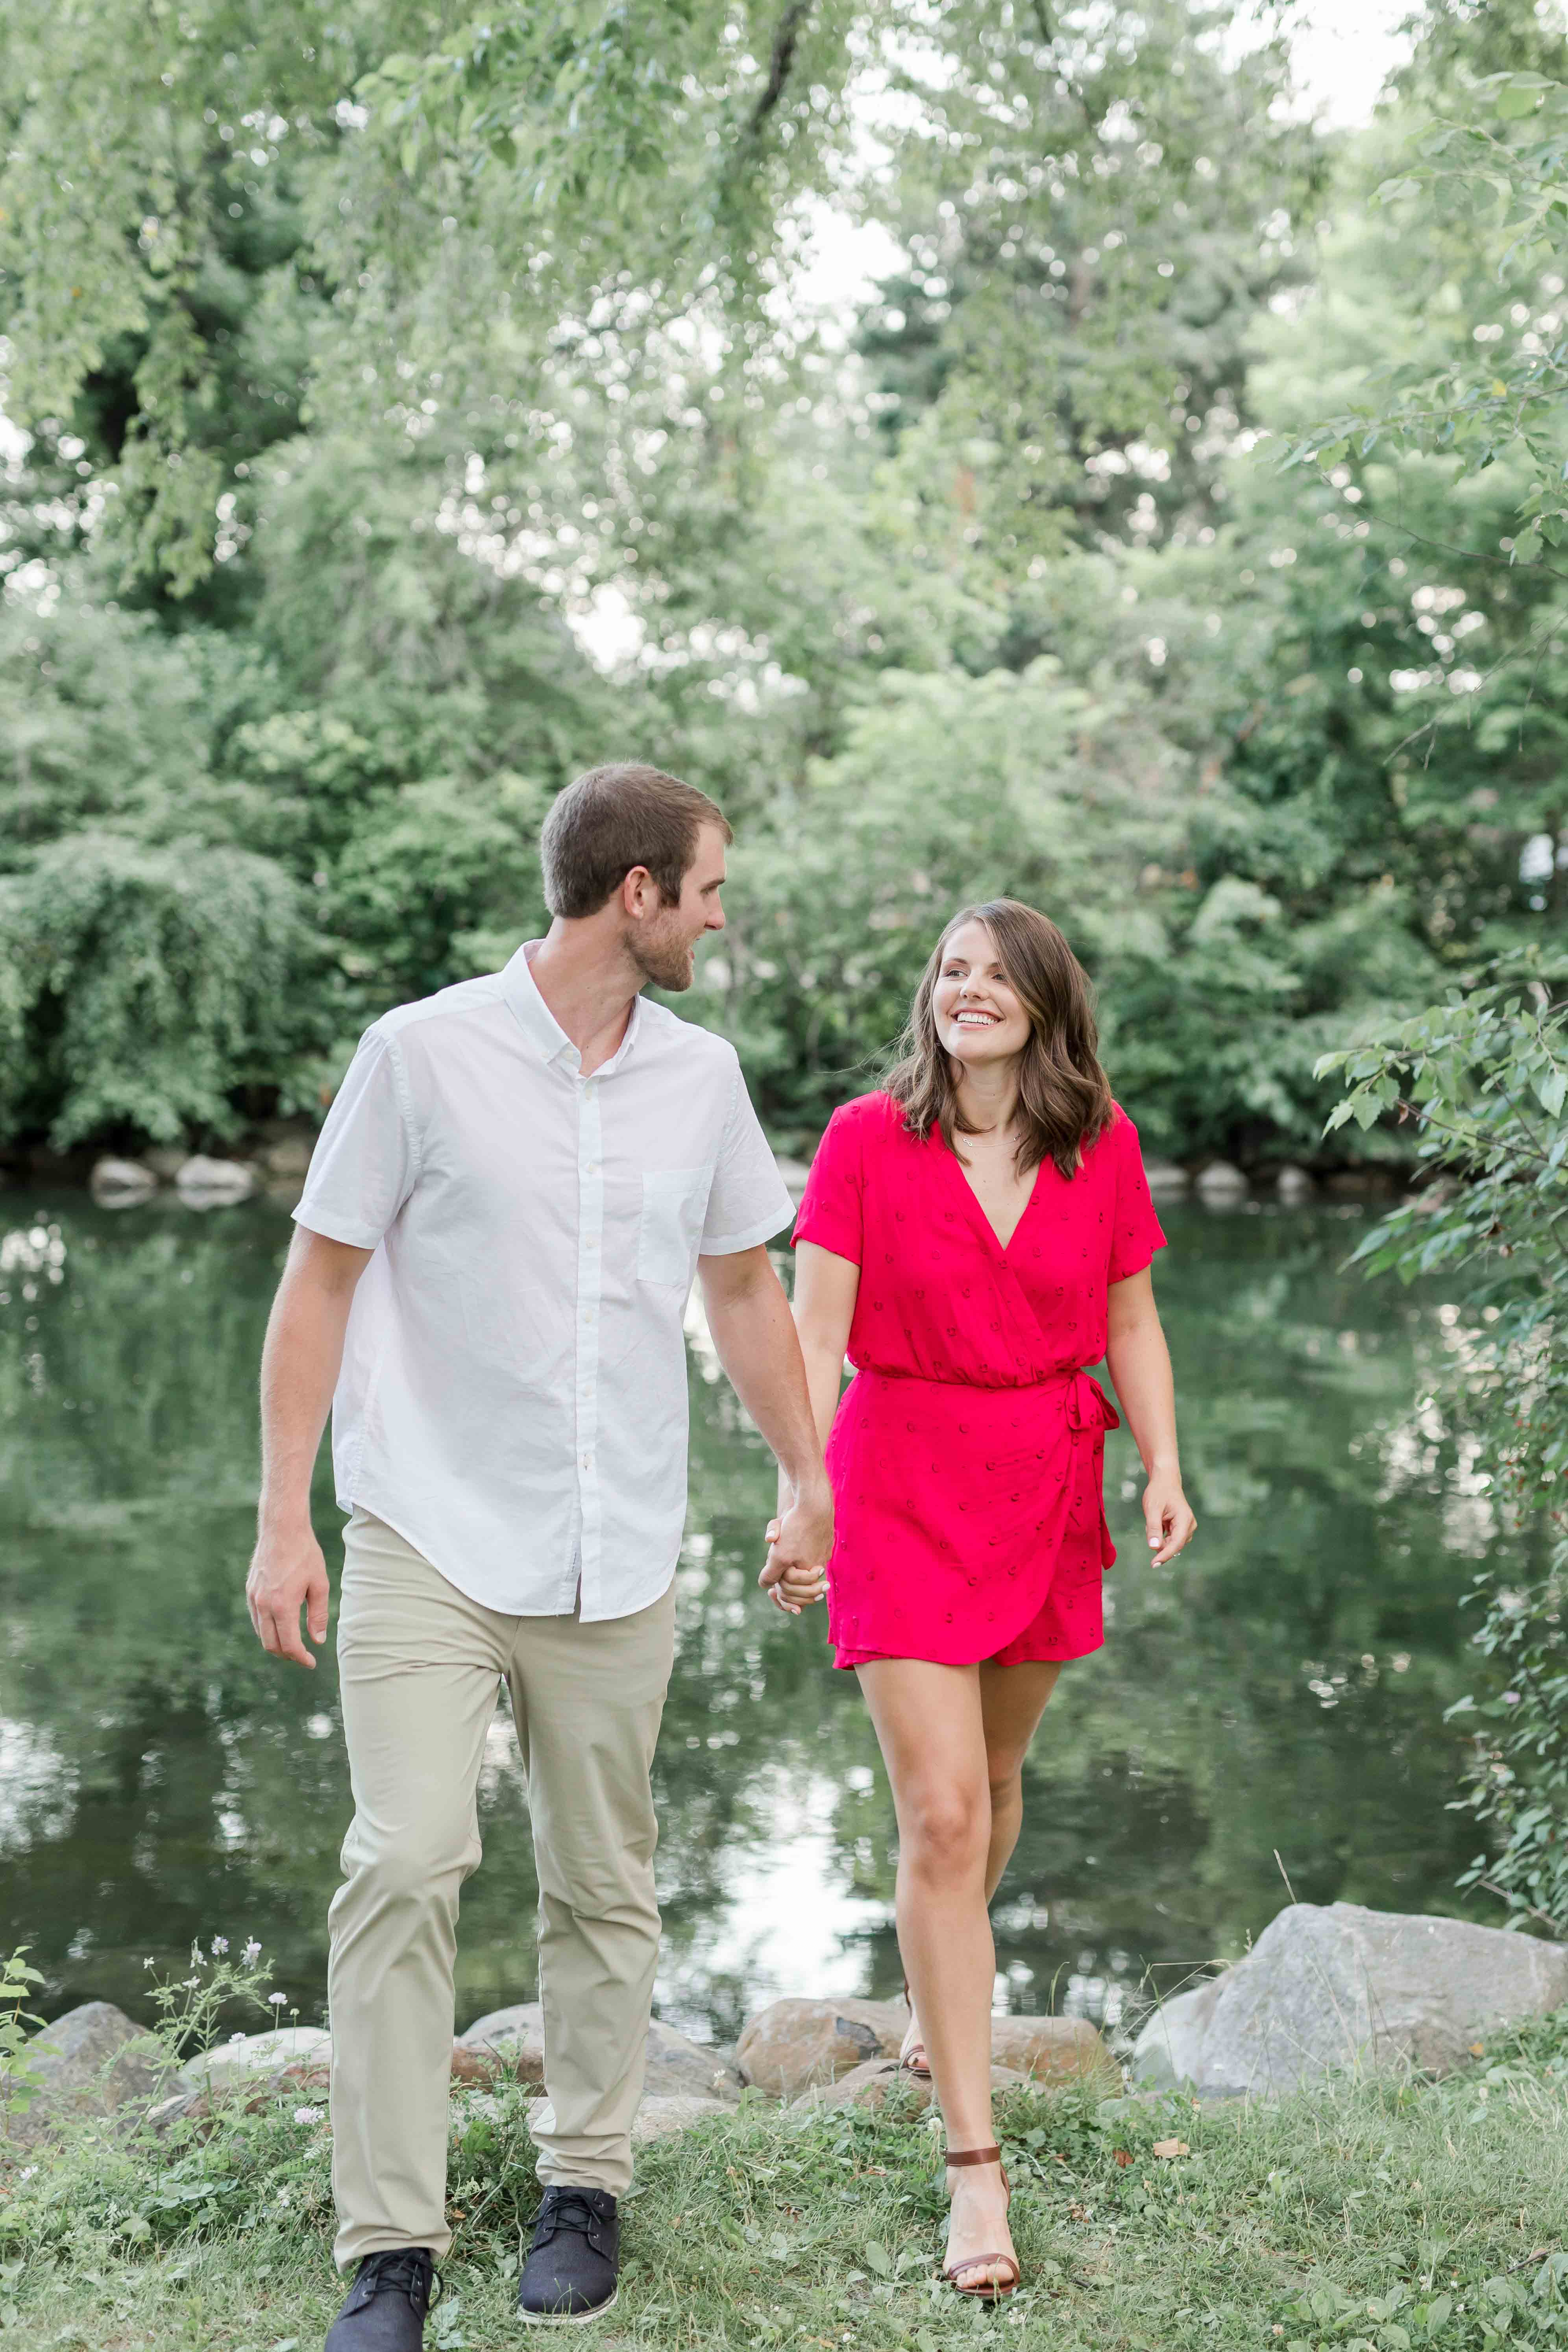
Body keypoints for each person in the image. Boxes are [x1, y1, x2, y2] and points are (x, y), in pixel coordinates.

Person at [245, 762, 832, 2346]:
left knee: (603, 1879)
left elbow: (745, 1294)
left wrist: (805, 1476)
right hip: (425, 1526)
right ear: (636, 894)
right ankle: (391, 2246)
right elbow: (317, 1285)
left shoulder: (702, 1082)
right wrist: (280, 1515)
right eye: (706, 888)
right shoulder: (419, 1057)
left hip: (620, 1542)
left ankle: (585, 2181)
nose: (721, 914)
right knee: (407, 1857)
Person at [786, 898, 1195, 2303]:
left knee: (1002, 1775)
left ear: (1042, 1001)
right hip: (899, 1476)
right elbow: (813, 1334)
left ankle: (934, 1996)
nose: (967, 991)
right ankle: (974, 2164)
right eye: (949, 972)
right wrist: (802, 1498)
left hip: (1044, 1482)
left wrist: (1164, 1465)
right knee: (943, 1810)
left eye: (994, 974)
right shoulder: (863, 1140)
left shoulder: (1105, 1143)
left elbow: (1133, 1317)